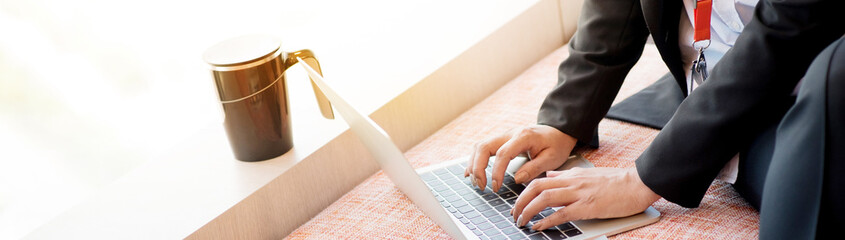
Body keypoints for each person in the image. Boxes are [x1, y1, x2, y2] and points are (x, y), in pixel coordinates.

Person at [463, 0, 844, 238]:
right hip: (701, 80)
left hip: (806, 95)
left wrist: (643, 178)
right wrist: (564, 119)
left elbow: (793, 25)